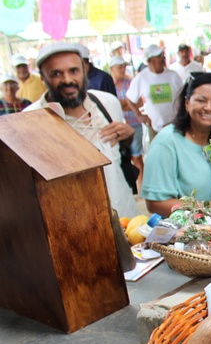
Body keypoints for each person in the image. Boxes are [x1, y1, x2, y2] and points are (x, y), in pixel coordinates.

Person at [24, 42, 138, 218]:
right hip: (75, 223)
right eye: (56, 74)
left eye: (74, 71)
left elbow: (117, 152)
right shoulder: (30, 121)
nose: (67, 80)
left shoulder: (107, 103)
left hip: (124, 215)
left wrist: (128, 136)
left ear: (84, 71)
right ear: (42, 77)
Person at [141, 73, 211, 217]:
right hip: (180, 229)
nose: (208, 108)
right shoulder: (166, 142)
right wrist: (205, 207)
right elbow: (155, 203)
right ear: (187, 103)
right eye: (201, 100)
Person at [125, 44, 183, 134]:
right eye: (159, 56)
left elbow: (183, 96)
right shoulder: (141, 78)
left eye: (162, 55)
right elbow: (129, 98)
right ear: (150, 60)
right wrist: (139, 115)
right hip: (155, 128)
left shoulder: (173, 75)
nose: (163, 58)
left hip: (175, 126)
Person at [110, 56, 144, 190]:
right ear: (112, 69)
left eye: (124, 66)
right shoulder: (108, 85)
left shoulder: (130, 82)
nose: (123, 69)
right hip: (117, 126)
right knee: (122, 159)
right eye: (120, 67)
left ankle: (141, 187)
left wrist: (121, 104)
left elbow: (139, 102)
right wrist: (128, 103)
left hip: (133, 123)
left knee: (137, 157)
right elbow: (115, 105)